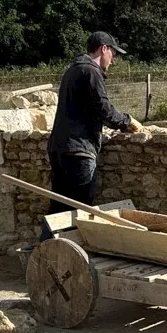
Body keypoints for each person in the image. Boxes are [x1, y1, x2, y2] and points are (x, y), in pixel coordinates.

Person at [42, 31, 143, 238]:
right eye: (113, 53)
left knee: (58, 207)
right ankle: (71, 256)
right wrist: (127, 121)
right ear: (103, 48)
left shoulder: (72, 70)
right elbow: (102, 108)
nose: (113, 60)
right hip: (79, 149)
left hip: (59, 147)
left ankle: (43, 254)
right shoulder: (90, 71)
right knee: (80, 209)